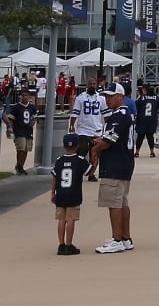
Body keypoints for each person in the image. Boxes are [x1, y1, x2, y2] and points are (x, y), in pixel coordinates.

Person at [90, 83, 136, 253]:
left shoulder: (119, 116)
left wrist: (95, 149)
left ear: (120, 96)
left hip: (115, 163)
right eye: (106, 96)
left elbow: (109, 141)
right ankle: (125, 237)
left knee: (114, 203)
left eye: (110, 96)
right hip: (125, 161)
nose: (107, 99)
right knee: (122, 201)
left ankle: (117, 239)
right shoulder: (126, 114)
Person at [51, 133, 89, 255]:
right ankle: (69, 245)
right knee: (71, 219)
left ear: (63, 146)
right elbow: (89, 171)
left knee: (61, 219)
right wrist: (95, 159)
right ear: (77, 145)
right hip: (74, 194)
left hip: (61, 193)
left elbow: (55, 177)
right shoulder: (80, 160)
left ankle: (61, 244)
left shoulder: (59, 160)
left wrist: (53, 192)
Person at [70, 77, 106, 181]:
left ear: (96, 85)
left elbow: (106, 114)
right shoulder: (80, 98)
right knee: (81, 151)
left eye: (94, 83)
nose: (92, 85)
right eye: (90, 83)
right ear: (87, 85)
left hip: (97, 130)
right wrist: (72, 125)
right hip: (83, 130)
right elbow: (75, 112)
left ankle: (91, 174)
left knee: (94, 154)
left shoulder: (101, 98)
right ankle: (78, 172)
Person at [4, 88, 38, 175]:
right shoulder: (16, 107)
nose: (25, 97)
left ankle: (21, 166)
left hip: (28, 131)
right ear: (20, 97)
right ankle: (19, 165)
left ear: (29, 97)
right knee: (21, 148)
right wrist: (10, 129)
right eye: (23, 95)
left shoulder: (32, 107)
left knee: (26, 149)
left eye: (27, 95)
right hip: (19, 130)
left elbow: (34, 117)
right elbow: (11, 119)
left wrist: (33, 121)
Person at [134, 85, 159, 157]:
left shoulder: (141, 97)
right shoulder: (157, 98)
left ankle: (137, 152)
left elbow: (136, 107)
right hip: (152, 118)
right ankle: (152, 152)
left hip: (142, 119)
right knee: (150, 136)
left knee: (140, 136)